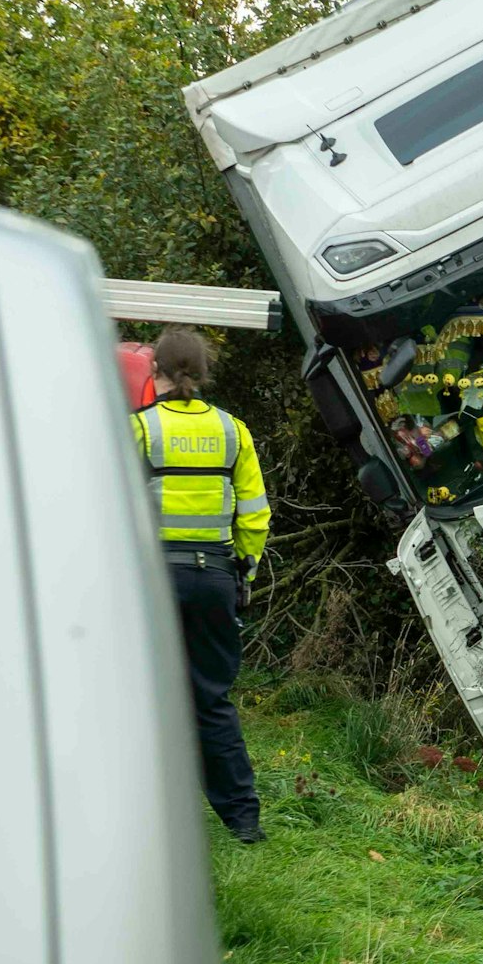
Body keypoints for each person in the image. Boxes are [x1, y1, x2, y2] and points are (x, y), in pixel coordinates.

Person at [130, 327, 271, 843]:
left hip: (153, 579)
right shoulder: (234, 432)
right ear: (204, 374)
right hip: (213, 575)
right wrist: (244, 573)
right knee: (211, 699)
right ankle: (244, 822)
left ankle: (149, 823)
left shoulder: (139, 430)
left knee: (141, 697)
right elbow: (254, 514)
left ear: (155, 371)